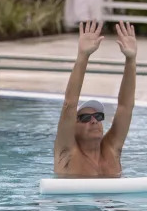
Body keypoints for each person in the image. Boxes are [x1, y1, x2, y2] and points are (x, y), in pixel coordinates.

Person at [53, 21, 137, 178]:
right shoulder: (67, 153)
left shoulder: (112, 150)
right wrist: (83, 56)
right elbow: (69, 104)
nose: (94, 121)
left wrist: (131, 60)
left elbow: (125, 107)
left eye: (98, 116)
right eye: (85, 118)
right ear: (73, 127)